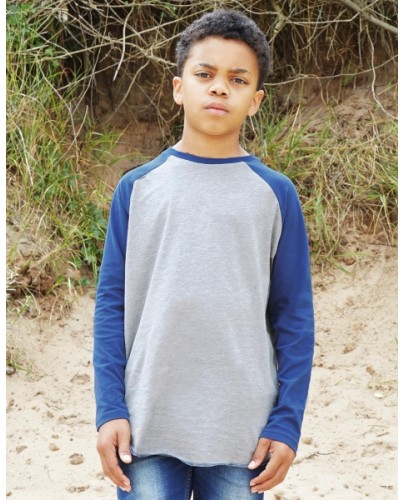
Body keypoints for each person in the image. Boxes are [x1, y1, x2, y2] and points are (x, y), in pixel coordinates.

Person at [93, 9, 315, 499]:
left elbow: (294, 316)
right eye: (204, 74)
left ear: (255, 101)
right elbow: (111, 306)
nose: (219, 88)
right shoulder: (138, 188)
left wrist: (287, 423)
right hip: (146, 423)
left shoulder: (275, 195)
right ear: (178, 88)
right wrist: (110, 410)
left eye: (238, 79)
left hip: (243, 432)